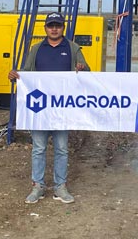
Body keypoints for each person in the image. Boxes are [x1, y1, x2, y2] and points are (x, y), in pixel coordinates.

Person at [8, 12, 89, 204]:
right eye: (51, 25)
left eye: (58, 25)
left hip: (62, 109)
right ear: (45, 28)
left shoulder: (72, 48)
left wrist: (82, 68)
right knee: (39, 148)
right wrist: (15, 75)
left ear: (63, 28)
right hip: (40, 109)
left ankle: (60, 187)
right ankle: (38, 186)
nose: (54, 29)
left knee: (61, 148)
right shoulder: (37, 49)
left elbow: (86, 71)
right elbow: (26, 73)